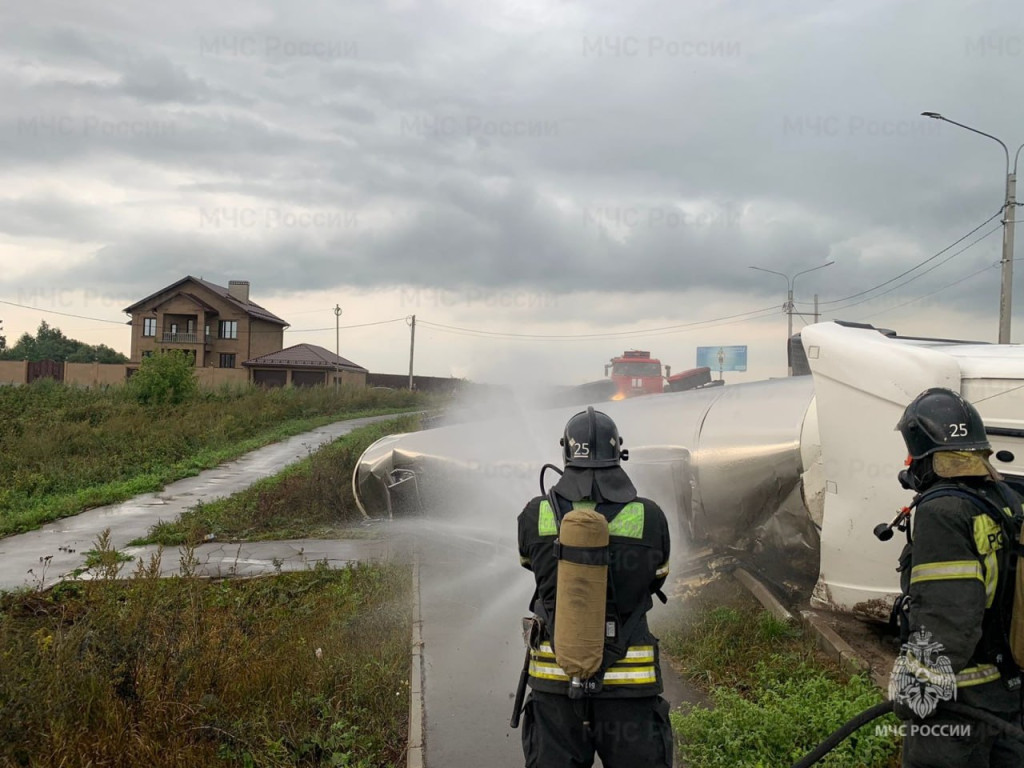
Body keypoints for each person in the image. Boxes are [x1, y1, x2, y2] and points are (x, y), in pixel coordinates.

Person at [516, 406, 673, 768]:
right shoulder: (650, 516)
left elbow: (531, 567)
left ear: (566, 453)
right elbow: (657, 579)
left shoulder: (535, 514)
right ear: (618, 452)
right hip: (629, 693)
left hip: (555, 689)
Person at [890, 387, 1024, 767]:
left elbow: (947, 618)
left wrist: (915, 690)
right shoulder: (1007, 499)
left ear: (923, 454)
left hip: (957, 708)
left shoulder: (944, 512)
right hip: (1008, 696)